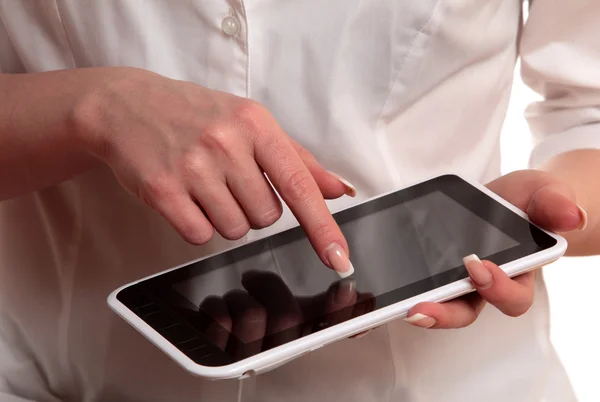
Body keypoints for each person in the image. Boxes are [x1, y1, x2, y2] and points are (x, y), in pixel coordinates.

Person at [0, 1, 598, 401]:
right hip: (68, 378)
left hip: (457, 382)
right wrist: (92, 108)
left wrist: (553, 203)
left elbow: (589, 112)